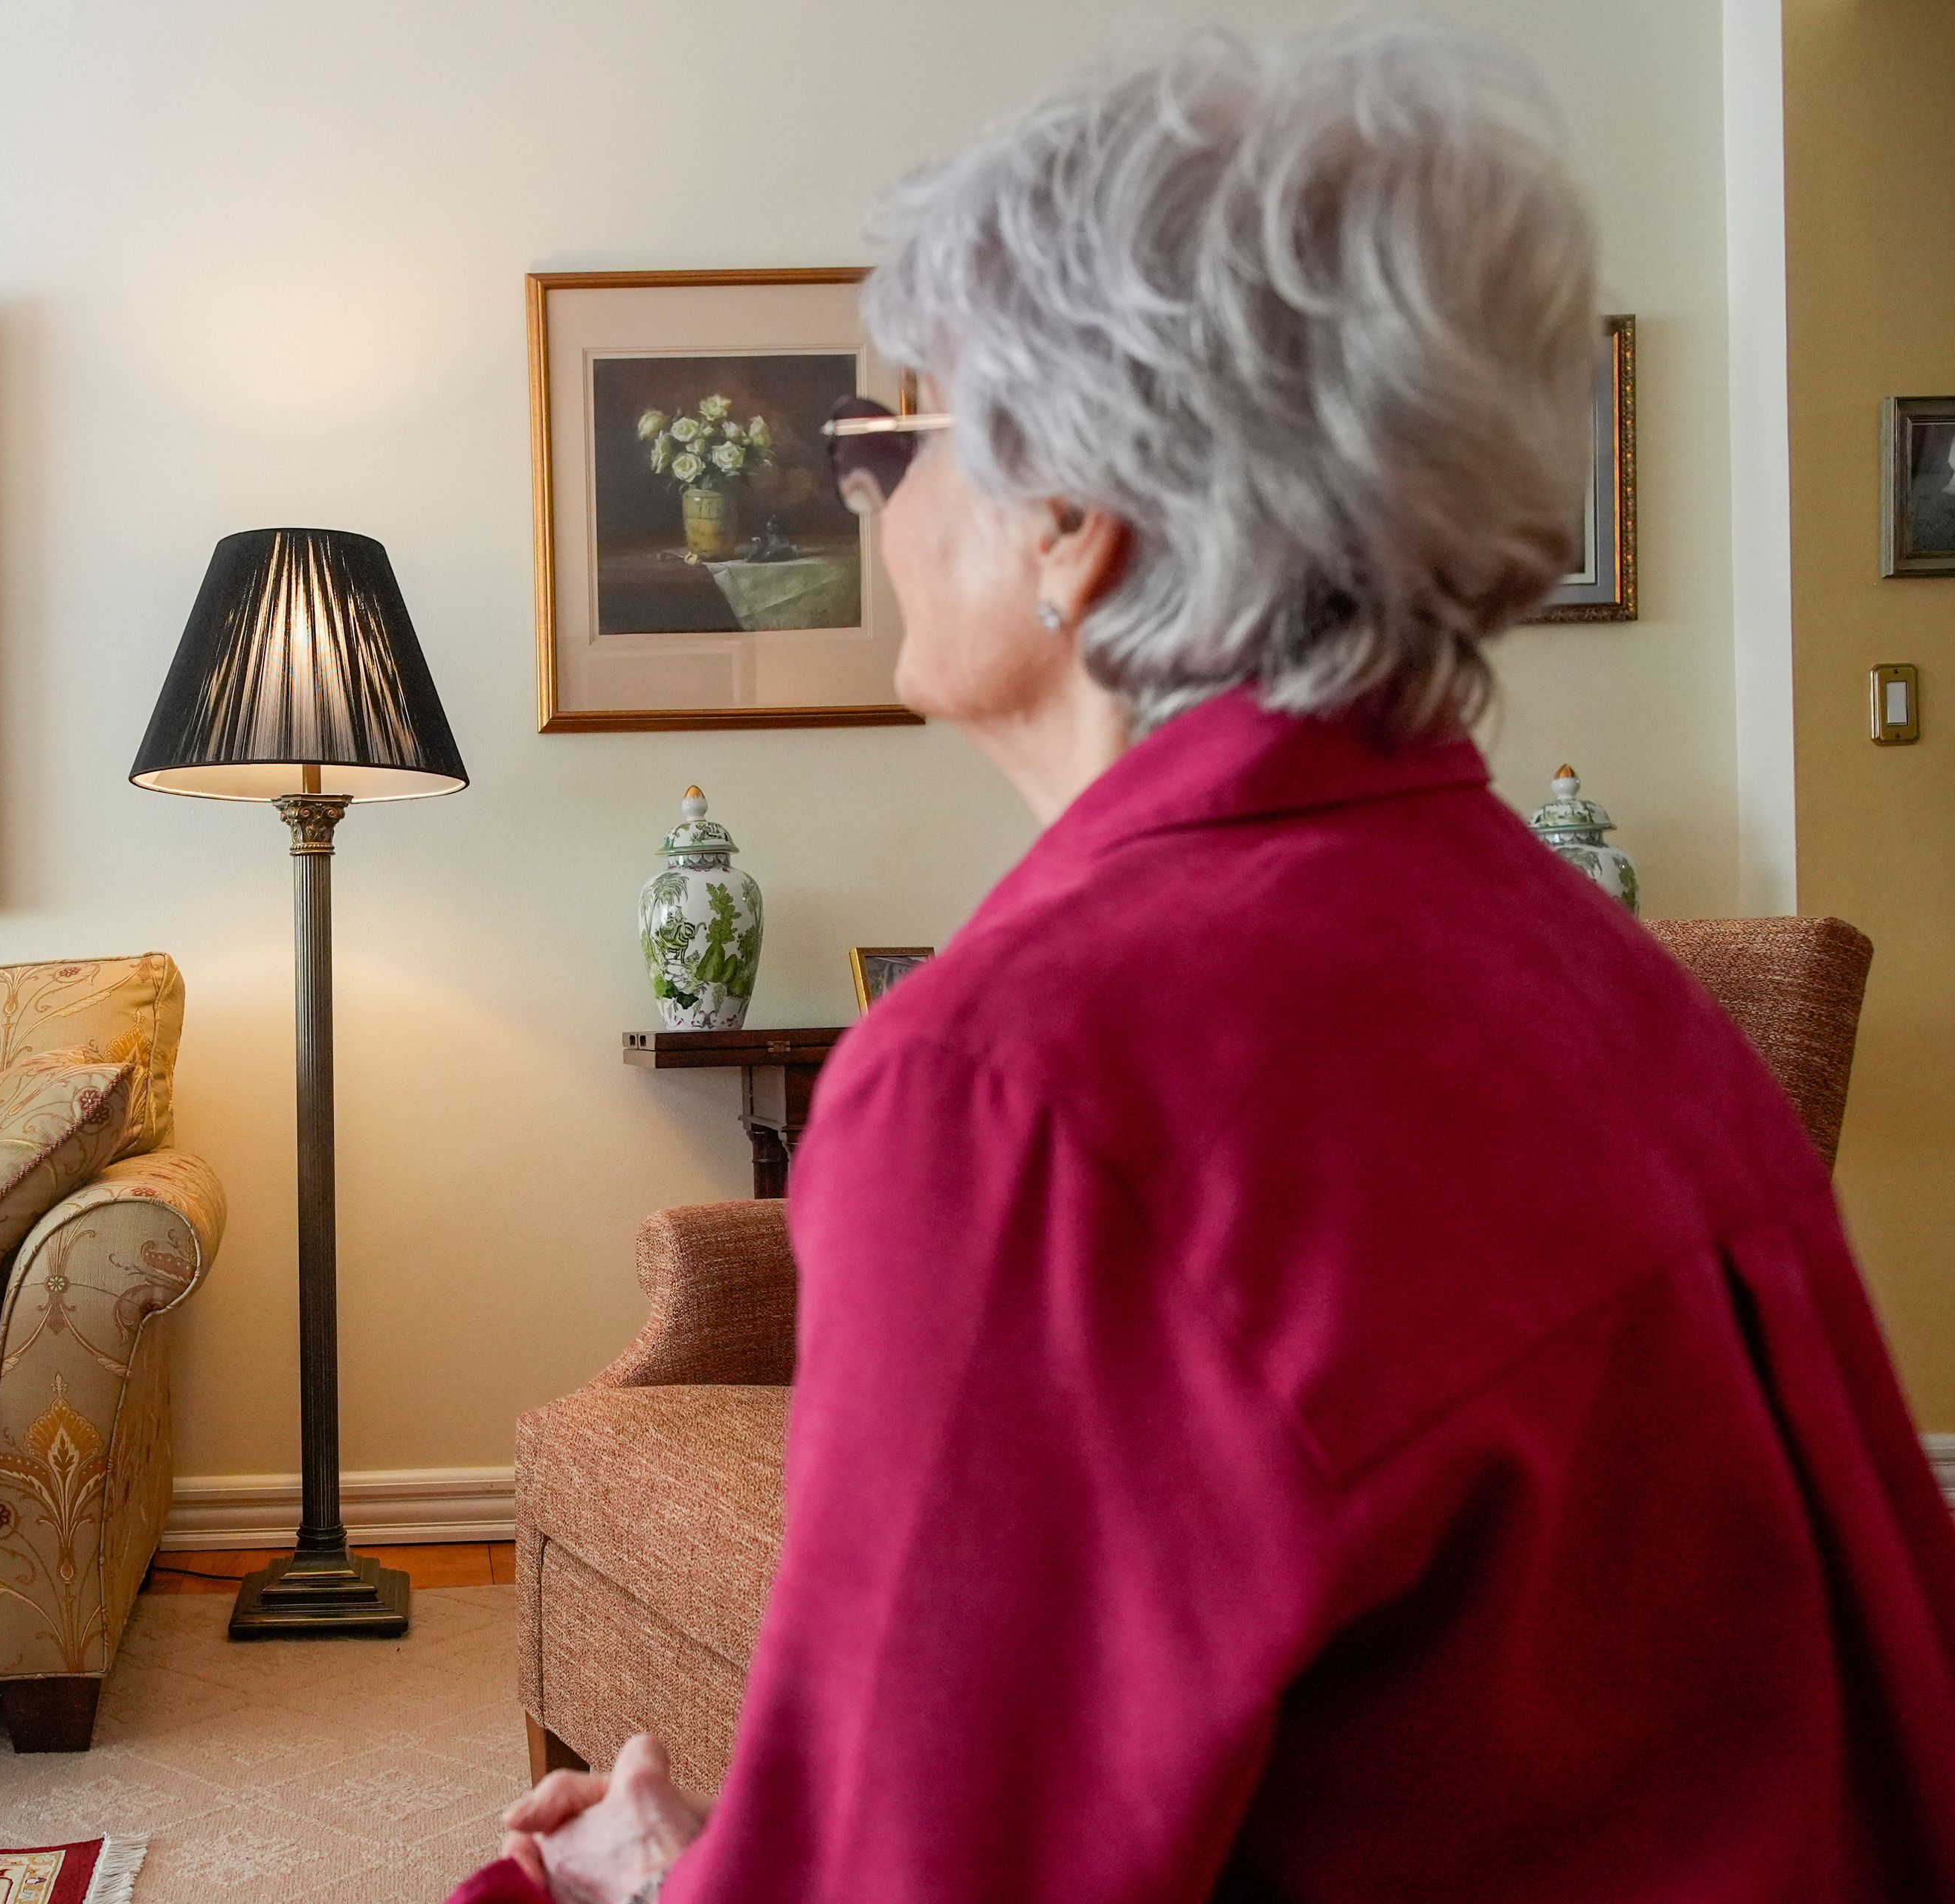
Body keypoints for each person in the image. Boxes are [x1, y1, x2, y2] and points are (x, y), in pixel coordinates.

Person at [464, 23, 1955, 1904]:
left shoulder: (1025, 1080)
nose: (864, 500)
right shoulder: (1585, 965)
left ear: (1075, 519)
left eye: (889, 437)